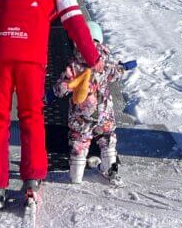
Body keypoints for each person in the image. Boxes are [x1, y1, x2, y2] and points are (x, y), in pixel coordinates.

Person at [0, 0, 101, 211]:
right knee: (31, 115)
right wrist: (92, 58)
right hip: (29, 56)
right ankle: (32, 178)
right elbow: (75, 23)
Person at [54, 21, 129, 185]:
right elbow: (115, 73)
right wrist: (123, 67)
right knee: (107, 137)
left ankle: (76, 176)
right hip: (104, 112)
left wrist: (54, 92)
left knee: (79, 140)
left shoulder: (73, 63)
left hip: (81, 113)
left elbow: (62, 88)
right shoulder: (106, 60)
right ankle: (109, 169)